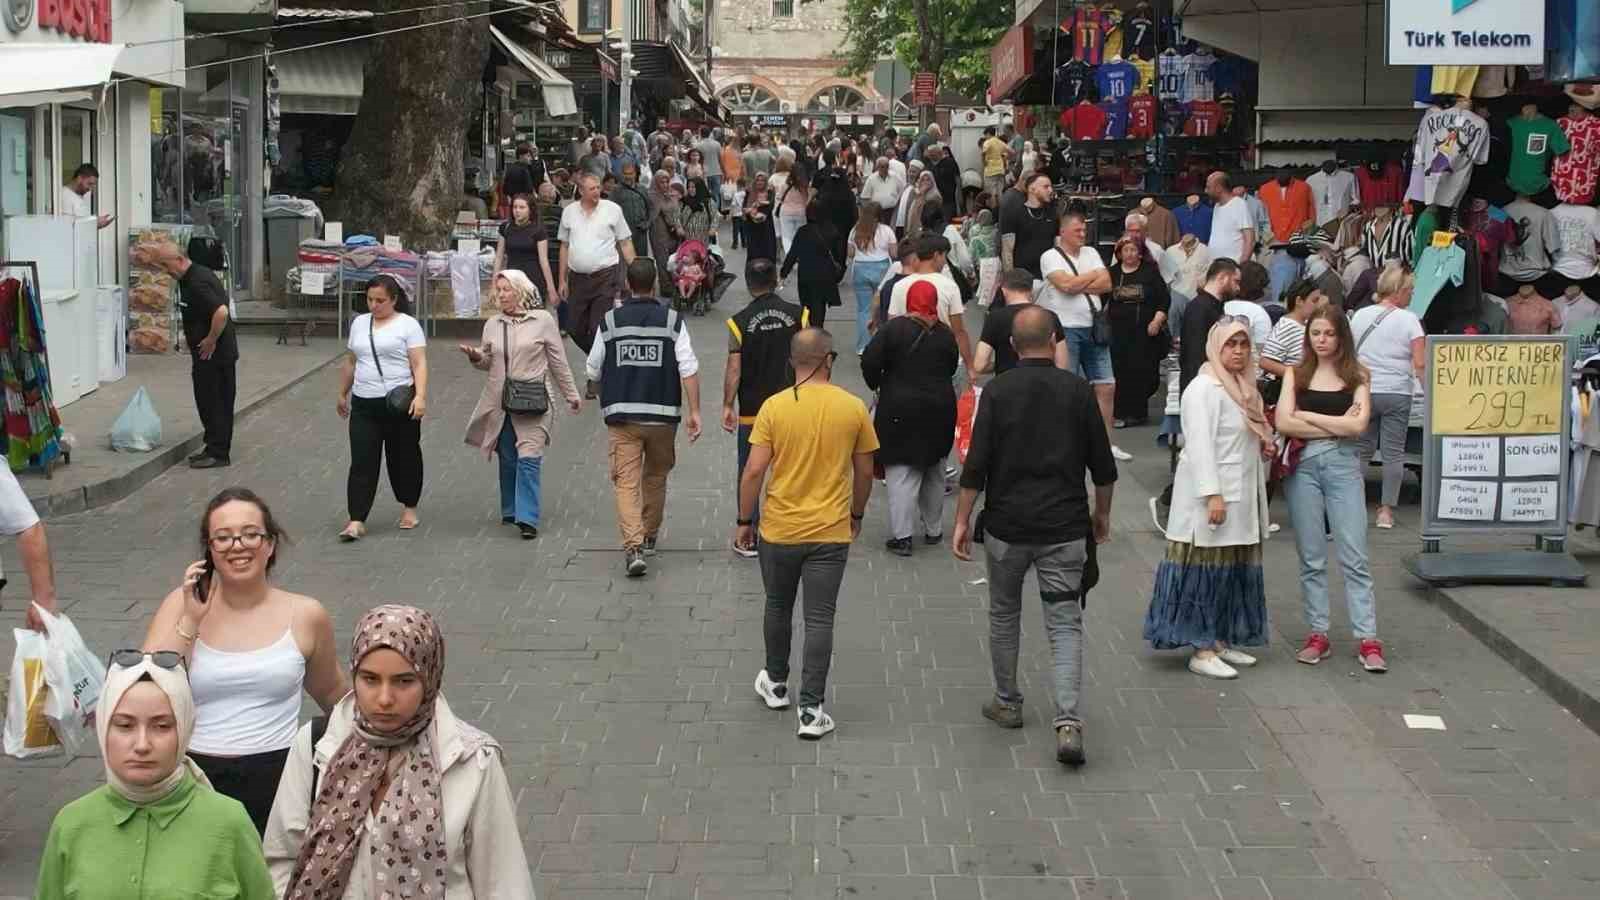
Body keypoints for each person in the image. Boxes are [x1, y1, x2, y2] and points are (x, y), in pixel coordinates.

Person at [264, 605, 535, 898]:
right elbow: (282, 859)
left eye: (404, 681)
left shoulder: (472, 759)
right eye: (370, 679)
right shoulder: (317, 743)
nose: (384, 699)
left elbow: (504, 882)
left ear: (429, 679)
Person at [953, 305, 1117, 766]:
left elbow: (975, 465)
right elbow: (1103, 468)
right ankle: (1067, 721)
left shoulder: (998, 392)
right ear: (1054, 341)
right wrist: (1101, 515)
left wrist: (963, 521)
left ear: (1011, 346)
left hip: (1007, 527)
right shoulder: (1079, 391)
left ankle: (1007, 701)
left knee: (1004, 613)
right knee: (1064, 622)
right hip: (1065, 528)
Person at [141, 487, 348, 833]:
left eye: (251, 534)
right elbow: (147, 689)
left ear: (270, 544)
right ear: (209, 549)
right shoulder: (181, 604)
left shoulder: (306, 613)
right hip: (193, 777)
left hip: (280, 779)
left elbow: (333, 693)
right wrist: (191, 620)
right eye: (223, 538)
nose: (238, 546)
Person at [35, 652, 273, 899]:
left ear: (184, 729)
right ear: (104, 727)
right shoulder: (72, 825)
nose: (142, 744)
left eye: (162, 726)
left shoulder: (229, 824)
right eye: (125, 725)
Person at [737, 328, 878, 739]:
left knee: (777, 605)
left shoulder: (774, 408)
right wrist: (856, 513)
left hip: (779, 530)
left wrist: (746, 520)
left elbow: (754, 470)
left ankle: (776, 683)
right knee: (820, 618)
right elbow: (865, 470)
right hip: (830, 533)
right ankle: (812, 710)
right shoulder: (852, 408)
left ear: (792, 361)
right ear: (828, 359)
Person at [1145, 318, 1272, 679]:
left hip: (1242, 495)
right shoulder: (1202, 389)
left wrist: (1264, 444)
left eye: (1243, 345)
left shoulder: (1244, 388)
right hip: (1213, 499)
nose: (1238, 352)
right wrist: (1212, 494)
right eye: (1230, 345)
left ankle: (1217, 639)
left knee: (1229, 572)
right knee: (1205, 571)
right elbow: (1199, 446)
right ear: (1216, 347)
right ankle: (1200, 649)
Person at [1275, 307, 1387, 673]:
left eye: (1328, 333)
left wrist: (1307, 417)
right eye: (1315, 333)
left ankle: (1368, 637)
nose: (1321, 340)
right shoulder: (1296, 372)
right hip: (1304, 468)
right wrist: (1337, 424)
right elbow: (1282, 421)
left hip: (1343, 465)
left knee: (1354, 554)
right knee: (1311, 555)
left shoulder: (1357, 374)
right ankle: (1317, 632)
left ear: (1342, 337)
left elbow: (1358, 427)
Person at [586, 259, 703, 576]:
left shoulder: (611, 322)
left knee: (625, 483)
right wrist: (695, 412)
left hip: (622, 417)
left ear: (628, 285)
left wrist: (596, 385)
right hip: (664, 418)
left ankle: (633, 547)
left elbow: (593, 366)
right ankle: (649, 535)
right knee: (655, 476)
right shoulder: (673, 321)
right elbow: (688, 368)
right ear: (653, 284)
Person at [461, 271, 582, 539]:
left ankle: (528, 519)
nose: (501, 294)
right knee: (508, 457)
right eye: (499, 289)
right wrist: (475, 357)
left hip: (534, 400)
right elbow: (487, 362)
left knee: (529, 456)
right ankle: (510, 509)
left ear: (520, 290)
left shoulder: (543, 320)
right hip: (501, 401)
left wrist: (571, 394)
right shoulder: (493, 324)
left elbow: (558, 361)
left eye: (507, 289)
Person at [862, 281, 959, 556]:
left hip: (899, 409)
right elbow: (952, 367)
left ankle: (903, 537)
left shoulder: (893, 330)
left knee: (902, 473)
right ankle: (933, 529)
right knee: (934, 469)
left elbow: (869, 361)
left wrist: (878, 383)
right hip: (940, 408)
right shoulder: (945, 334)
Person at [722, 259, 808, 558]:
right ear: (775, 280)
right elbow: (813, 357)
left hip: (754, 410)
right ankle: (793, 530)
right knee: (795, 468)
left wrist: (726, 405)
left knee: (751, 470)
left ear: (748, 283)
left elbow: (734, 368)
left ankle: (749, 534)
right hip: (793, 407)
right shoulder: (801, 315)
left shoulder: (739, 321)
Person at [132, 238, 238, 469]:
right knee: (208, 402)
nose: (164, 271)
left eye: (165, 265)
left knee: (215, 403)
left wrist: (210, 340)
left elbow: (221, 312)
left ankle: (219, 453)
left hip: (214, 355)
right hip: (208, 355)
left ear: (179, 260)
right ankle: (212, 447)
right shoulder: (190, 277)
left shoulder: (197, 281)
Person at [336, 275, 428, 540]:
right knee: (362, 461)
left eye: (380, 301)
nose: (374, 305)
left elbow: (419, 363)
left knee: (404, 458)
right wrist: (342, 393)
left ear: (394, 300)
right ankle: (356, 519)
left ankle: (409, 507)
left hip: (399, 404)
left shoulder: (408, 326)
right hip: (364, 404)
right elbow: (351, 361)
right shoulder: (359, 324)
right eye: (369, 300)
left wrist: (420, 396)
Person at [1039, 211, 1129, 461]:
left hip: (1094, 327)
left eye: (1084, 230)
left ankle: (1105, 444)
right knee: (1067, 388)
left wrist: (1077, 281)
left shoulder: (1090, 253)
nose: (1083, 234)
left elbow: (1107, 284)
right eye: (1078, 230)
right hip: (1066, 328)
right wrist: (1090, 277)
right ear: (1063, 232)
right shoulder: (1050, 256)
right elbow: (1065, 286)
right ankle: (1068, 444)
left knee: (1107, 385)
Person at [1350, 262, 1425, 531]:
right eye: (1410, 289)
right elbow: (1420, 363)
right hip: (1397, 392)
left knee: (1360, 452)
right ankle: (1385, 511)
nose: (1412, 295)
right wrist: (1428, 392)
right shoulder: (1410, 320)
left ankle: (1353, 507)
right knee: (1394, 454)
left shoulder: (1359, 316)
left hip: (1365, 390)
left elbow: (1349, 354)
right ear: (1400, 290)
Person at [559, 171, 637, 395]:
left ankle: (596, 376)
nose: (597, 192)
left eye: (598, 187)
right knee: (573, 327)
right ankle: (604, 363)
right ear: (581, 191)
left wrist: (636, 272)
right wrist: (561, 280)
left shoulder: (613, 210)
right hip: (577, 280)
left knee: (597, 328)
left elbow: (625, 243)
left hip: (606, 277)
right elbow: (564, 246)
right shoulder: (569, 213)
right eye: (592, 188)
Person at [1106, 234, 1171, 428]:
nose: (1129, 254)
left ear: (1141, 253)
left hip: (1145, 332)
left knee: (1141, 371)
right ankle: (1119, 413)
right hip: (1118, 333)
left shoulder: (1150, 272)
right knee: (1119, 370)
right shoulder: (1112, 272)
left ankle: (1137, 413)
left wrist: (1157, 321)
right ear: (1119, 253)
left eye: (1133, 250)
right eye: (1125, 250)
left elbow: (1164, 300)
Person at [976, 267, 1068, 375]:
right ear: (1031, 289)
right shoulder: (1050, 316)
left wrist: (998, 366)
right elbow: (1062, 364)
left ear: (1003, 289)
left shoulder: (995, 318)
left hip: (1006, 383)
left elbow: (979, 365)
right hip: (1045, 382)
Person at [1180, 259, 1241, 392]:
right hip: (1200, 388)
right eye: (1236, 281)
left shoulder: (1214, 307)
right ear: (1223, 278)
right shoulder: (1199, 308)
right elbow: (1195, 354)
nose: (1238, 288)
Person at [781, 201, 844, 328]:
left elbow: (793, 254)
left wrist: (783, 273)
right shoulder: (832, 231)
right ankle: (818, 332)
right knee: (820, 307)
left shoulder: (803, 231)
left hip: (806, 275)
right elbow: (839, 255)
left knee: (807, 307)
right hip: (825, 275)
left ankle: (809, 334)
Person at [494, 193, 559, 306]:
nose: (517, 211)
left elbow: (544, 261)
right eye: (515, 207)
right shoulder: (505, 228)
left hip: (533, 281)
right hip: (512, 281)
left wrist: (551, 288)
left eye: (522, 207)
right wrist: (494, 283)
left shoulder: (538, 230)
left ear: (530, 210)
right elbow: (499, 257)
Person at [1000, 172, 1058, 286]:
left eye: (1051, 187)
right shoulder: (1014, 212)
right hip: (1023, 278)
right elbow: (1007, 251)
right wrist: (1011, 282)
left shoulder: (1052, 214)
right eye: (1046, 187)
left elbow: (1058, 246)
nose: (1050, 190)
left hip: (1048, 276)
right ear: (1032, 189)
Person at [1205, 171, 1256, 265]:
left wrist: (1241, 267)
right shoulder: (1217, 206)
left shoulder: (1239, 205)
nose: (1206, 191)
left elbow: (1250, 240)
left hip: (1234, 268)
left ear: (1219, 188)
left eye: (1208, 187)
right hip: (1219, 268)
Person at [613, 162, 653, 259]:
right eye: (625, 174)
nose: (628, 176)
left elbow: (651, 208)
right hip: (624, 234)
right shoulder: (616, 191)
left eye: (630, 173)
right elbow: (611, 212)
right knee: (625, 260)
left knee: (641, 260)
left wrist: (648, 223)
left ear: (635, 174)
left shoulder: (642, 189)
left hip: (640, 232)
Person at [58, 162, 114, 229]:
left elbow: (78, 223)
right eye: (89, 184)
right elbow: (64, 226)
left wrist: (95, 223)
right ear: (79, 178)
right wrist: (94, 223)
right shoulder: (63, 195)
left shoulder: (78, 196)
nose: (90, 189)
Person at [776, 165, 811, 260]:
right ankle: (799, 255)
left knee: (787, 236)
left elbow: (779, 198)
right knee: (800, 236)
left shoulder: (784, 185)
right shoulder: (805, 186)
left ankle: (790, 256)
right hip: (801, 212)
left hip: (786, 212)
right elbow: (807, 199)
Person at [744, 171, 779, 262]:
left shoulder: (769, 191)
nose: (760, 182)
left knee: (767, 248)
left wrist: (759, 210)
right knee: (754, 250)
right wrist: (751, 212)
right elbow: (744, 207)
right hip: (752, 225)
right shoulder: (749, 192)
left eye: (762, 180)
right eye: (758, 180)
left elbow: (770, 206)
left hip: (765, 225)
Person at [860, 158, 904, 224]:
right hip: (877, 212)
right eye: (882, 166)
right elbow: (864, 198)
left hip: (892, 211)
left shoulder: (895, 177)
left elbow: (902, 190)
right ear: (877, 167)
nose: (885, 169)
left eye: (887, 166)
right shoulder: (871, 179)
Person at [678, 176, 719, 243]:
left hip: (704, 240)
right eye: (688, 187)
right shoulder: (684, 202)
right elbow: (676, 215)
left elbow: (715, 216)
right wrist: (679, 227)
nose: (690, 189)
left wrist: (713, 228)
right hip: (687, 240)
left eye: (693, 187)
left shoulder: (708, 202)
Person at [980, 126, 1011, 198]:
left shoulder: (987, 142)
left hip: (990, 171)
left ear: (988, 133)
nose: (985, 137)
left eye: (985, 135)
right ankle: (1001, 208)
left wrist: (984, 162)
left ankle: (994, 209)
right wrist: (1005, 158)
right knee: (1000, 192)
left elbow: (983, 153)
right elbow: (1012, 151)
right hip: (1000, 170)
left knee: (991, 194)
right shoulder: (1000, 142)